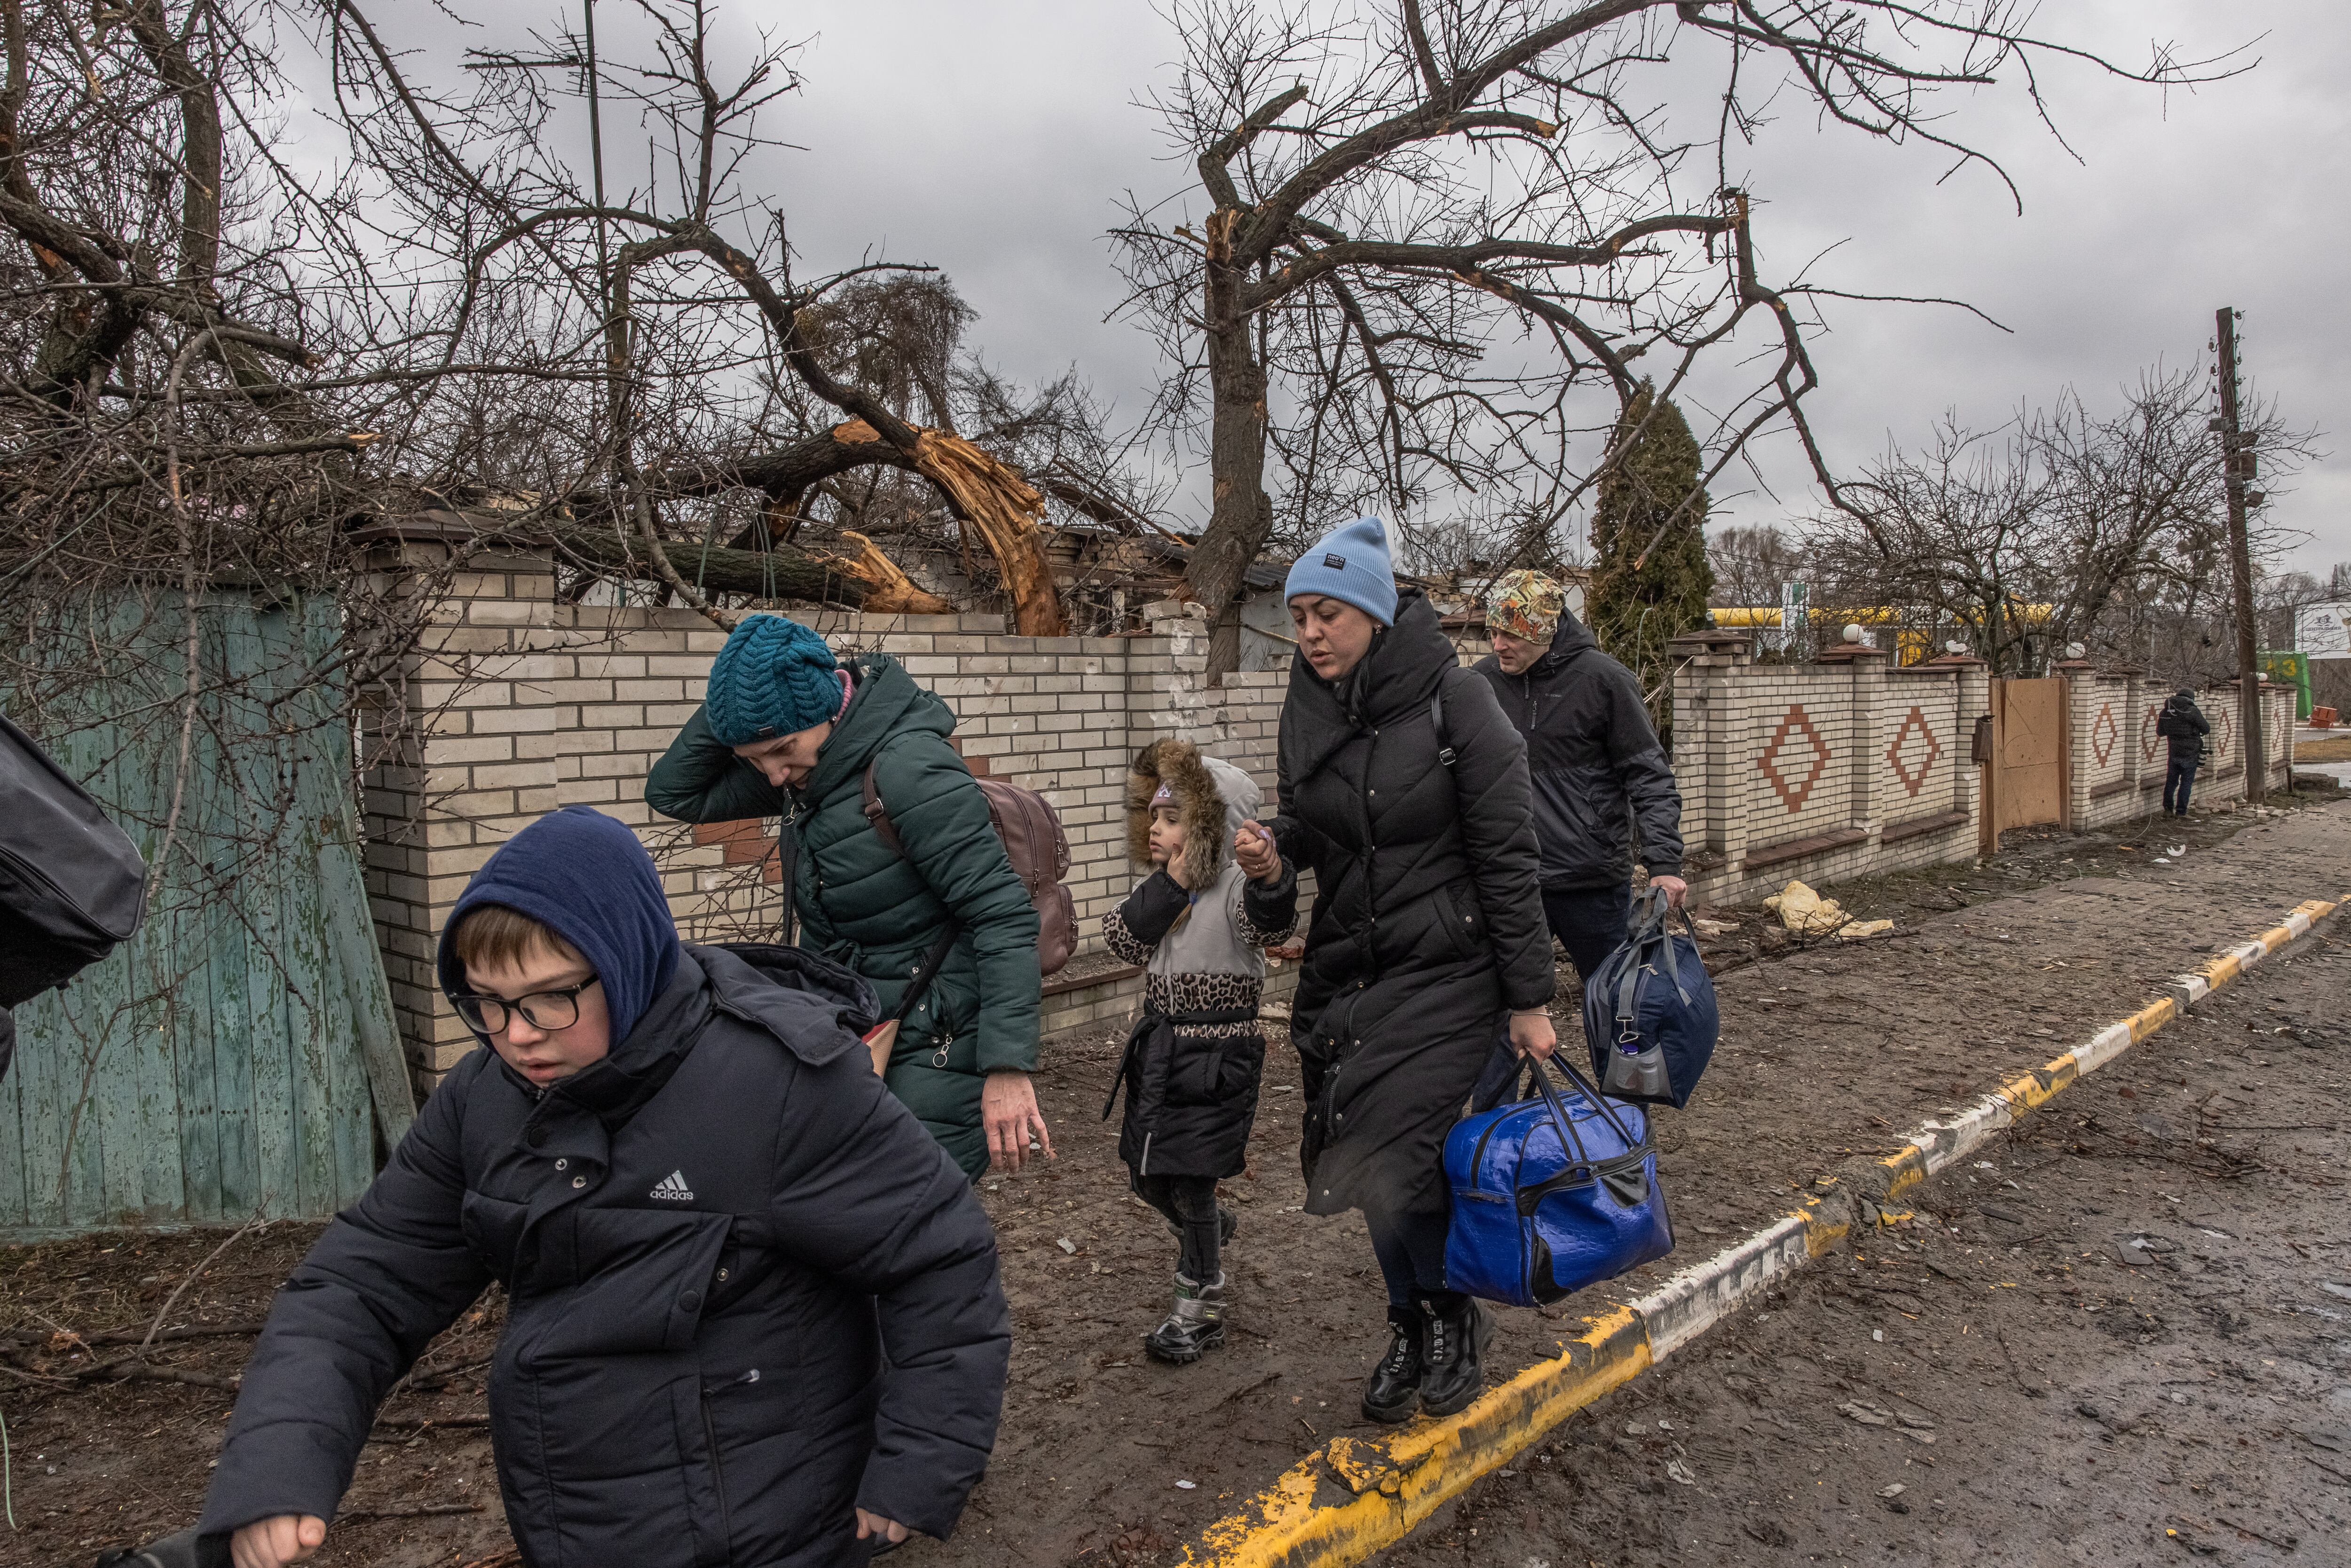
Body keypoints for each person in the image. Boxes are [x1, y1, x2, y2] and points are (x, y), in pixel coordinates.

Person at [199, 806, 1010, 1568]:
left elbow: (938, 1256)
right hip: (574, 1522)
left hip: (769, 1526)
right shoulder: (483, 1100)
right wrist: (278, 1470)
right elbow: (360, 1286)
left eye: (552, 997)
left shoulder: (777, 1086)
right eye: (488, 1002)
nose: (517, 1034)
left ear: (625, 962)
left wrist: (918, 1465)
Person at [1235, 516, 1554, 1426]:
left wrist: (1530, 999)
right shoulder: (1309, 706)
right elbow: (1312, 828)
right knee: (1359, 1159)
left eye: (1326, 612)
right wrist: (1273, 855)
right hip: (1350, 974)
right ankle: (1410, 1323)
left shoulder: (1462, 706)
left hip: (1451, 973)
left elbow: (1508, 858)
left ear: (1373, 613)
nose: (1308, 633)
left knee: (1404, 1155)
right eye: (1298, 615)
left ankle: (1450, 1318)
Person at [647, 614, 1052, 1181]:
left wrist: (1006, 1067)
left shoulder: (909, 770)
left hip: (937, 1039)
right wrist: (740, 692)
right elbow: (674, 791)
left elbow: (1001, 915)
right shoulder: (812, 773)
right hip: (855, 1024)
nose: (771, 774)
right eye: (752, 758)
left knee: (910, 1220)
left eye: (781, 748)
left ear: (826, 707)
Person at [1101, 738, 1298, 1364]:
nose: (1156, 828)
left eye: (1173, 817)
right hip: (1159, 1050)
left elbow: (1273, 924)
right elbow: (1123, 940)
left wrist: (1270, 874)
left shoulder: (1240, 888)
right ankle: (1211, 1233)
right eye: (1153, 816)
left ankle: (1200, 1300)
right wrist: (1175, 880)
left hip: (1217, 1059)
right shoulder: (1164, 886)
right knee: (1144, 1174)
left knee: (1190, 1182)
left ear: (1211, 824)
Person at [1473, 569, 1687, 985]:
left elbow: (1649, 776)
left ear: (1543, 630)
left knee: (1612, 1004)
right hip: (1510, 882)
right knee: (1496, 1011)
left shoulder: (1604, 681)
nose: (1498, 645)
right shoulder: (1481, 684)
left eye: (1511, 634)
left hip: (1590, 883)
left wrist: (1664, 861)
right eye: (1493, 632)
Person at [2157, 686, 2211, 816]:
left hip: (2174, 750)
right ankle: (2181, 812)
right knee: (2186, 782)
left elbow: (2160, 732)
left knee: (2171, 781)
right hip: (2191, 751)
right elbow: (2206, 729)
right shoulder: (2192, 711)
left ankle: (2168, 810)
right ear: (2190, 698)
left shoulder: (2166, 712)